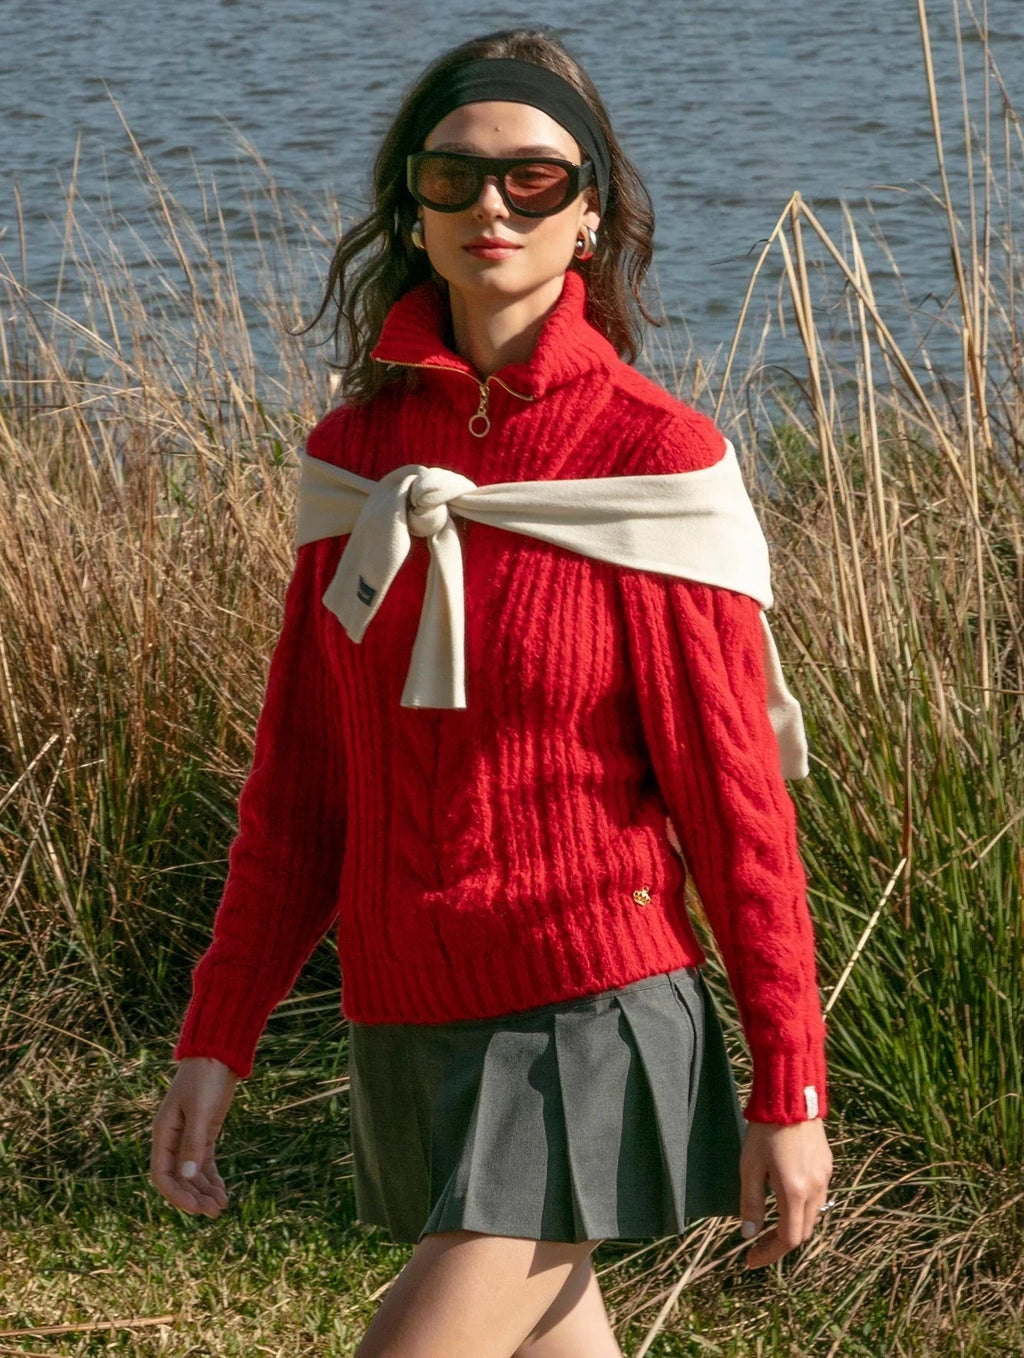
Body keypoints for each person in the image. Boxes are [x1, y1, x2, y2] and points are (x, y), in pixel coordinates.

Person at [150, 27, 834, 1358]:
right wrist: (216, 1033)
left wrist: (789, 1080)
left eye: (534, 177)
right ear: (412, 206)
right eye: (453, 176)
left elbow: (738, 812)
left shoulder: (653, 464)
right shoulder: (354, 463)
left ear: (592, 212)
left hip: (591, 1002)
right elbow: (300, 791)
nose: (492, 207)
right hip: (408, 1004)